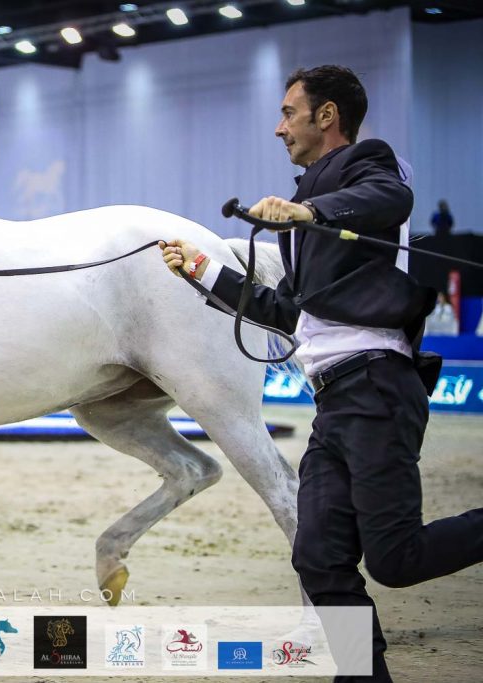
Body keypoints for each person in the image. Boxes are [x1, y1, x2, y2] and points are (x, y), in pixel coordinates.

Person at [160, 65, 482, 682]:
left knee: (395, 559)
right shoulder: (306, 218)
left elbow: (392, 196)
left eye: (289, 113)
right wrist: (203, 272)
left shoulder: (368, 165)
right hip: (334, 402)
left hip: (376, 388)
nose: (279, 128)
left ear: (326, 115)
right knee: (317, 557)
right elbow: (289, 313)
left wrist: (307, 210)